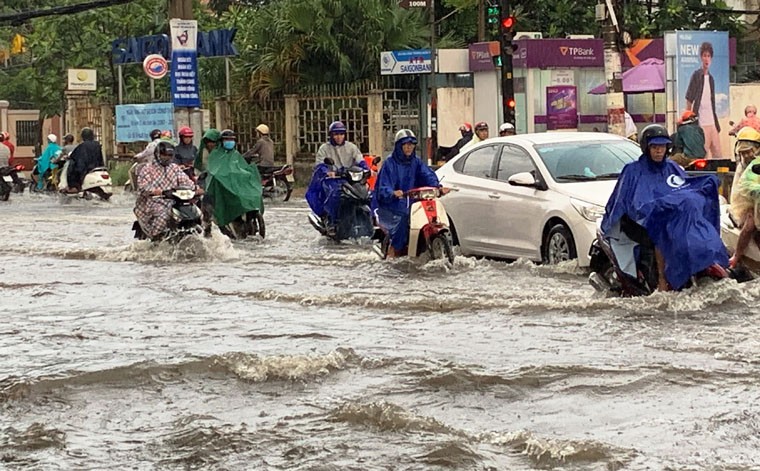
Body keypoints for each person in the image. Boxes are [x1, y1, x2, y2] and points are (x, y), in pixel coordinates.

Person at [601, 124, 729, 291]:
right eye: (654, 147)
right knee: (661, 233)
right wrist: (647, 209)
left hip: (670, 217)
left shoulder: (672, 167)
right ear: (646, 147)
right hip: (638, 223)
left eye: (662, 146)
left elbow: (684, 189)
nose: (659, 151)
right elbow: (624, 201)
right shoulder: (632, 171)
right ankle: (661, 280)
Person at [373, 129, 443, 258]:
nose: (409, 147)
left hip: (414, 201)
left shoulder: (416, 162)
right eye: (406, 144)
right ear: (399, 146)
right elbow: (383, 186)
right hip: (393, 204)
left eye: (411, 144)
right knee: (405, 217)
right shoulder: (389, 163)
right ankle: (395, 249)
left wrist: (438, 187)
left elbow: (427, 175)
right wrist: (393, 193)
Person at [133, 141, 202, 240]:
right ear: (157, 154)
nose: (167, 157)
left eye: (169, 155)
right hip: (156, 201)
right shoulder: (147, 169)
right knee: (162, 217)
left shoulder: (174, 168)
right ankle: (156, 239)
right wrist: (157, 191)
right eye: (164, 155)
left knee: (198, 214)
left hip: (176, 201)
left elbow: (186, 181)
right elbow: (143, 187)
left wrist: (196, 189)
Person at [203, 129, 264, 232]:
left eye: (231, 140)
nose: (229, 142)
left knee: (253, 192)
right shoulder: (216, 154)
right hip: (224, 184)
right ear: (222, 141)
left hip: (237, 183)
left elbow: (242, 167)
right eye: (227, 139)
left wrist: (246, 173)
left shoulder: (236, 154)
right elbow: (214, 169)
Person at [306, 121, 368, 222]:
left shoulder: (351, 147)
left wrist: (366, 168)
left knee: (367, 194)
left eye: (341, 134)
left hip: (351, 179)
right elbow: (320, 164)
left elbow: (359, 159)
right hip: (333, 180)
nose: (339, 137)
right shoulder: (324, 148)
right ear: (331, 135)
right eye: (336, 134)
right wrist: (327, 171)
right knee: (334, 195)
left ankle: (372, 219)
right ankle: (331, 219)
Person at [727, 127, 760, 267]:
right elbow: (745, 185)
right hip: (747, 202)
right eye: (743, 153)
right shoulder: (746, 167)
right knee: (750, 224)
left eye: (749, 152)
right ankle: (737, 255)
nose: (746, 156)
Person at [685, 41, 721, 158]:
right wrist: (689, 119)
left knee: (718, 154)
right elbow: (689, 98)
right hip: (701, 123)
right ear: (701, 57)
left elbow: (712, 102)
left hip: (712, 122)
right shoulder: (696, 75)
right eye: (704, 56)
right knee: (702, 155)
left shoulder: (711, 78)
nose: (706, 59)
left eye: (709, 56)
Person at [64, 127, 103, 193]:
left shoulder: (82, 146)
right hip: (98, 167)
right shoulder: (97, 145)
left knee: (72, 168)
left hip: (86, 169)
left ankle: (74, 187)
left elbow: (74, 156)